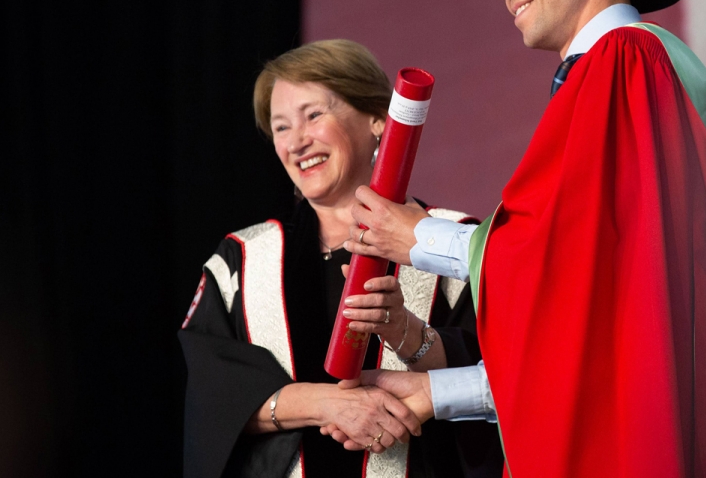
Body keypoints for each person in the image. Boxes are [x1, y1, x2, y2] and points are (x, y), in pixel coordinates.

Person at [339, 0, 706, 478]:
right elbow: (600, 317)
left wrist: (418, 238)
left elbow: (562, 257)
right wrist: (437, 394)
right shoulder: (640, 66)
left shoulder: (627, 61)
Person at [178, 39, 502, 478]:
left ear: (376, 119)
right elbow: (213, 400)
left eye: (314, 115)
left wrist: (405, 332)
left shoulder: (454, 244)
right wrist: (327, 403)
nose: (297, 141)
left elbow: (501, 378)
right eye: (280, 127)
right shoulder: (243, 258)